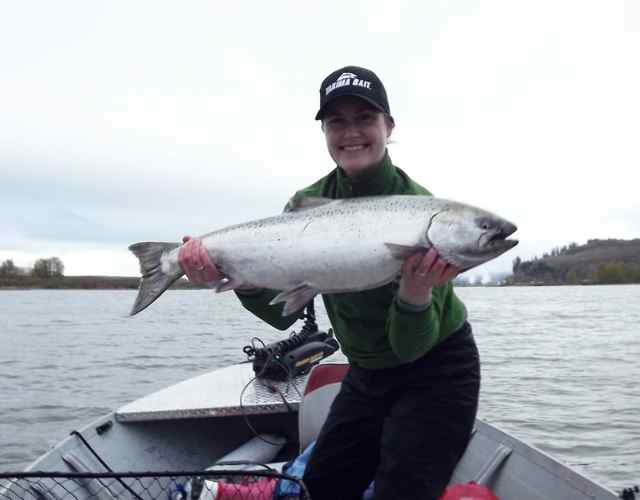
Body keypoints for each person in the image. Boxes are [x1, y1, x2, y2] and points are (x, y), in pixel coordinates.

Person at [178, 66, 480, 500]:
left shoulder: (423, 214)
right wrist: (238, 279)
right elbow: (282, 316)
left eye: (365, 119)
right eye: (337, 121)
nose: (351, 132)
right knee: (322, 489)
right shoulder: (305, 205)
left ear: (388, 127)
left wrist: (415, 294)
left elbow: (412, 348)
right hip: (367, 371)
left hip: (438, 370)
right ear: (324, 130)